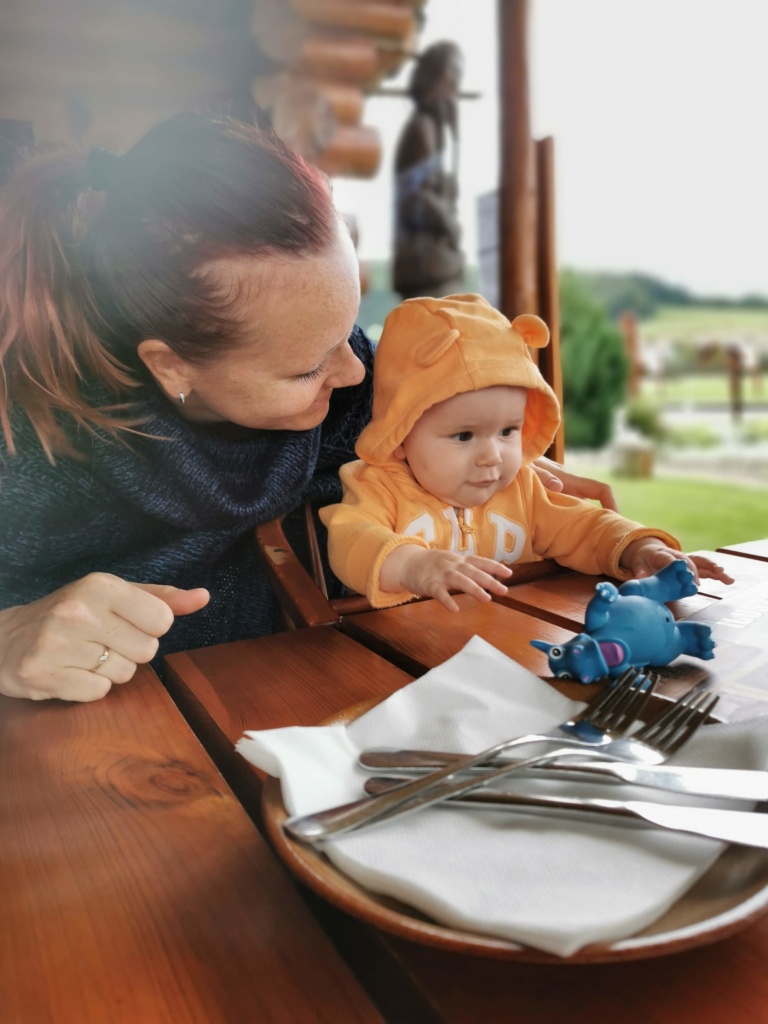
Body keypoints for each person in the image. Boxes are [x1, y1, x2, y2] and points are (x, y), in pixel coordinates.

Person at [0, 114, 617, 704]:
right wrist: (8, 638)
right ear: (172, 366)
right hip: (115, 750)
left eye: (350, 334)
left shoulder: (355, 387)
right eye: (305, 368)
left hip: (334, 689)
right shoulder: (28, 440)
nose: (355, 375)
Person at [319, 294, 733, 611]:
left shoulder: (524, 489)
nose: (492, 457)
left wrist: (638, 550)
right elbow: (350, 540)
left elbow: (585, 528)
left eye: (507, 431)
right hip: (403, 655)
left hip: (516, 644)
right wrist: (412, 566)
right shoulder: (378, 487)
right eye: (464, 436)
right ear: (402, 435)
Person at [392, 40, 465, 300]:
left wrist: (454, 136)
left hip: (432, 265)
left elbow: (441, 190)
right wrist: (446, 220)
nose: (456, 85)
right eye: (452, 73)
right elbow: (415, 197)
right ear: (433, 76)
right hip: (424, 265)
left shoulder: (432, 129)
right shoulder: (422, 127)